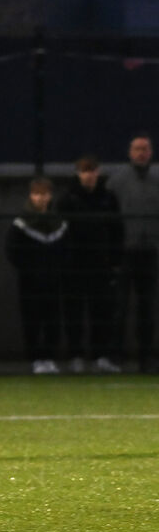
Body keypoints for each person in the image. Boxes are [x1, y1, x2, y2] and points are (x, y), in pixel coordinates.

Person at [56, 154, 123, 373]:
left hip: (101, 264)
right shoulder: (67, 199)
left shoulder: (108, 198)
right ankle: (75, 355)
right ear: (78, 174)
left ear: (98, 172)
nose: (89, 175)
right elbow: (60, 232)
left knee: (102, 312)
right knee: (73, 312)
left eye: (92, 171)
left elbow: (117, 230)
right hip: (74, 264)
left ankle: (100, 356)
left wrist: (114, 260)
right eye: (85, 171)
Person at [105, 130, 159, 372]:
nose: (141, 153)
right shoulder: (116, 181)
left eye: (145, 149)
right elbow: (108, 220)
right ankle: (115, 356)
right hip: (125, 252)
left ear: (151, 152)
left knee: (147, 308)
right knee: (119, 306)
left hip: (151, 251)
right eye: (137, 149)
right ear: (130, 152)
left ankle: (146, 357)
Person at [6, 177, 69, 374]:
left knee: (53, 319)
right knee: (32, 319)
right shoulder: (21, 224)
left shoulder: (59, 223)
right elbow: (12, 251)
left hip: (53, 279)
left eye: (45, 194)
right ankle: (35, 359)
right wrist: (28, 269)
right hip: (30, 281)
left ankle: (50, 358)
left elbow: (66, 250)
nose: (41, 198)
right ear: (31, 196)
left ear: (50, 196)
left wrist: (59, 269)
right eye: (37, 194)